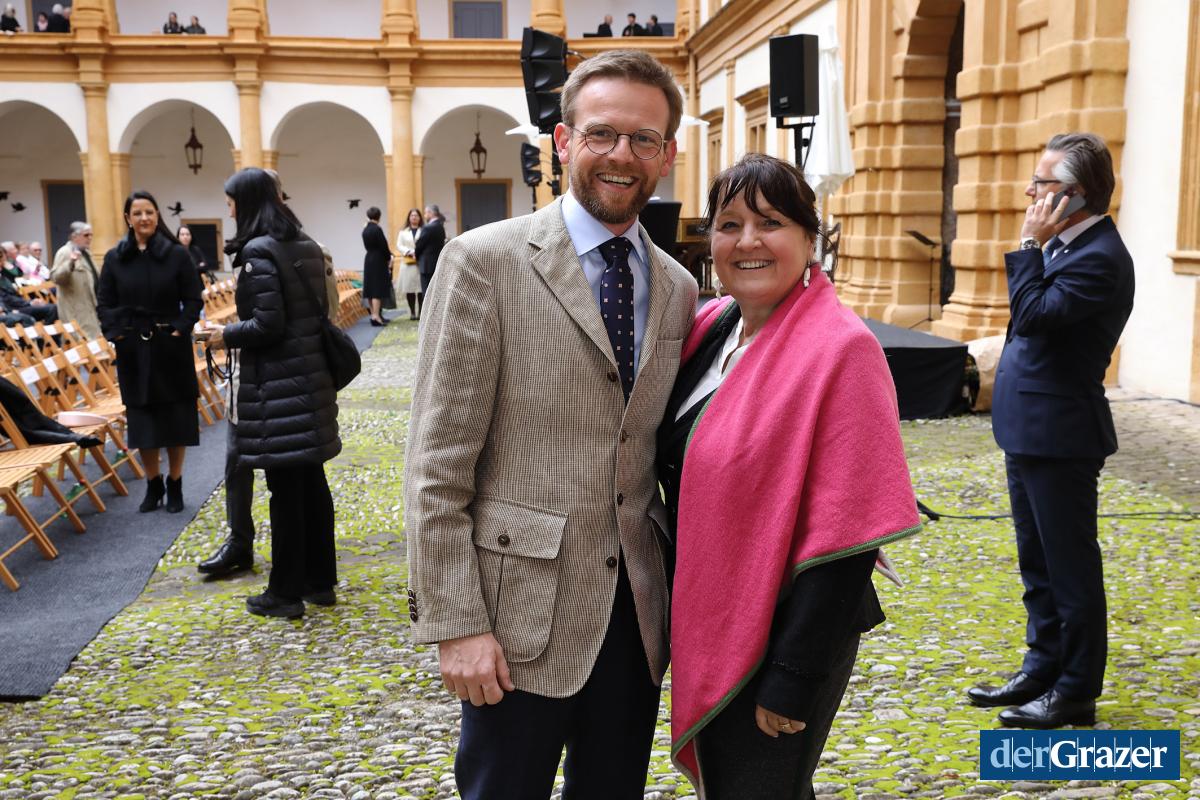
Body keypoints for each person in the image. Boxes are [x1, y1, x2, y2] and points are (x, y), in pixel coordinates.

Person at [405, 49, 696, 800]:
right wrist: (456, 623)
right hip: (515, 619)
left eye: (643, 139)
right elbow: (436, 466)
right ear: (564, 141)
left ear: (667, 153)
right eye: (601, 134)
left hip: (635, 617)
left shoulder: (677, 286)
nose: (621, 155)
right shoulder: (483, 262)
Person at [661, 153, 920, 799]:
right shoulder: (711, 328)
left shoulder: (841, 350)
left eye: (770, 222)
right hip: (715, 613)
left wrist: (793, 676)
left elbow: (848, 535)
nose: (747, 241)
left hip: (789, 629)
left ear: (810, 237)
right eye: (729, 224)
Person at [968, 132, 1135, 729]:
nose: (1030, 193)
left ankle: (1075, 690)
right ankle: (1042, 667)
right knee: (1036, 565)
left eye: (1041, 184)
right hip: (1029, 428)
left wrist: (1027, 245)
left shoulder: (1100, 257)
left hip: (1062, 433)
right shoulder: (1068, 248)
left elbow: (1034, 317)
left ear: (1074, 194)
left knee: (1070, 570)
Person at [204, 167, 340, 619]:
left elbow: (269, 324)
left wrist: (224, 335)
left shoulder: (259, 251)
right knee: (311, 483)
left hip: (280, 387)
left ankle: (284, 592)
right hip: (309, 378)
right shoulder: (303, 243)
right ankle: (320, 581)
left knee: (284, 491)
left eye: (230, 204)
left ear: (246, 203)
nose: (229, 212)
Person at [96, 190, 204, 514]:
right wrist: (117, 334)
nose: (144, 218)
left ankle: (175, 482)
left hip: (170, 346)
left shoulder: (176, 255)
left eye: (150, 212)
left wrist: (179, 328)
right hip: (134, 349)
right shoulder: (115, 258)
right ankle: (153, 482)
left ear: (157, 216)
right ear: (127, 218)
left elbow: (194, 298)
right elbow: (105, 302)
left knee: (176, 416)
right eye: (137, 213)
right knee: (143, 419)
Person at [50, 222, 102, 339]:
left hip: (91, 308)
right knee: (82, 343)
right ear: (74, 236)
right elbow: (55, 277)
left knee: (95, 343)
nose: (90, 238)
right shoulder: (65, 252)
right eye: (86, 235)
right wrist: (70, 263)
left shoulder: (86, 253)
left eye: (91, 235)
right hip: (75, 311)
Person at [0, 241, 57, 323]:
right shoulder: (7, 271)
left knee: (52, 307)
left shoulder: (4, 276)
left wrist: (30, 302)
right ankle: (42, 331)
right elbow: (7, 299)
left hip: (18, 304)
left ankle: (45, 330)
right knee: (50, 309)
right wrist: (29, 303)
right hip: (11, 309)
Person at [361, 205, 392, 326]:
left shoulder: (365, 229)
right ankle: (376, 317)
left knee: (370, 289)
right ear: (379, 216)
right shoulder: (377, 229)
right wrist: (389, 258)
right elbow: (383, 246)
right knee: (376, 289)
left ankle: (373, 314)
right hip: (378, 259)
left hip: (368, 258)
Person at [395, 207, 424, 320]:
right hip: (408, 263)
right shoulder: (403, 232)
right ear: (409, 217)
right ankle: (412, 312)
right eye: (412, 215)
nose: (414, 217)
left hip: (420, 262)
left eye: (416, 215)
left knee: (420, 288)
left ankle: (421, 312)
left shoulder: (424, 230)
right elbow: (399, 245)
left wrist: (418, 252)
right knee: (409, 288)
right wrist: (409, 252)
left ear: (420, 217)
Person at [413, 204, 445, 298]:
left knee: (426, 292)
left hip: (426, 264)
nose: (424, 215)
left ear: (431, 213)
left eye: (426, 213)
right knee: (435, 291)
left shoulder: (427, 227)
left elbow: (419, 245)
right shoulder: (440, 226)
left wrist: (416, 256)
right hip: (437, 262)